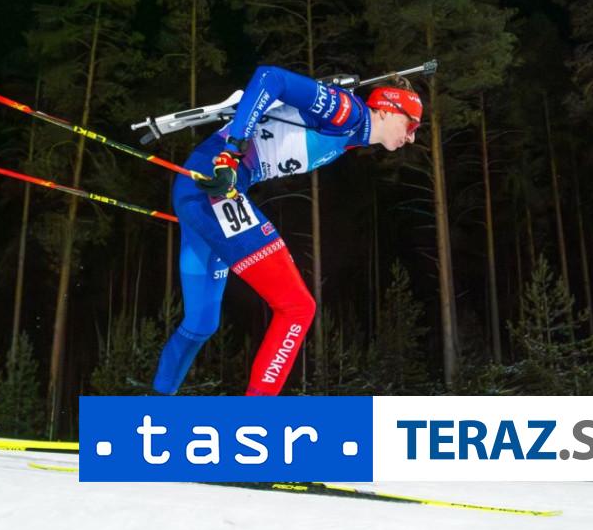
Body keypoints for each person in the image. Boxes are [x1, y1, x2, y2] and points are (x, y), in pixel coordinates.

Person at [153, 64, 422, 396]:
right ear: (386, 109)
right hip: (214, 185)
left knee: (200, 324)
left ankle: (151, 413)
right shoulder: (347, 112)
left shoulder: (352, 133)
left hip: (201, 192)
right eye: (411, 123)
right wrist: (231, 154)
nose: (412, 136)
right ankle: (256, 418)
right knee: (297, 307)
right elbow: (271, 78)